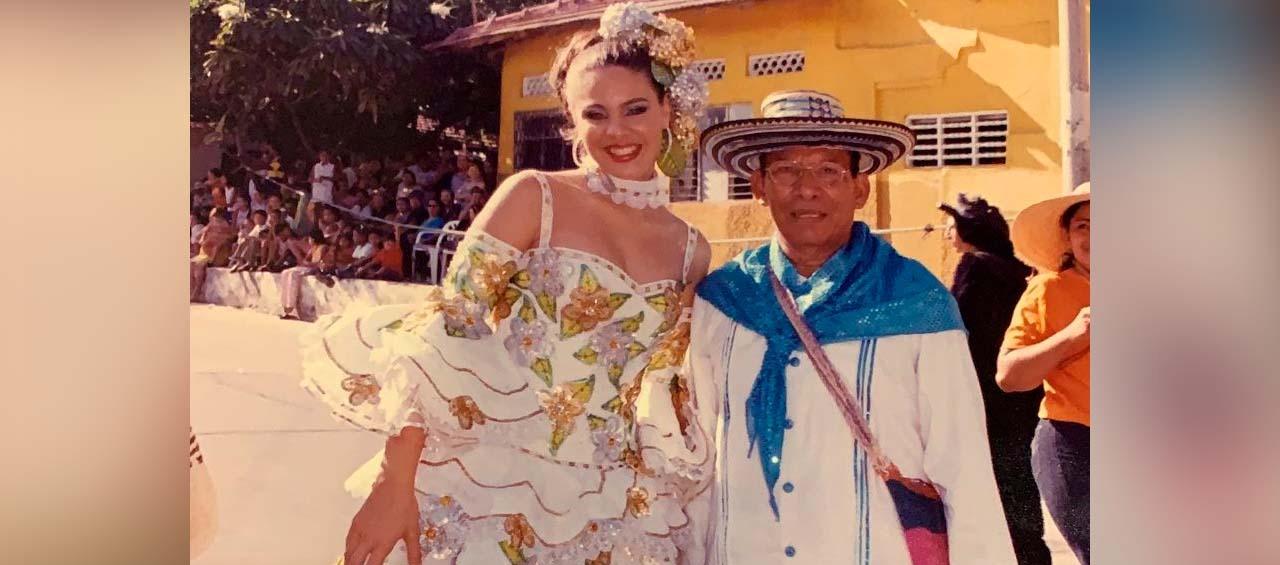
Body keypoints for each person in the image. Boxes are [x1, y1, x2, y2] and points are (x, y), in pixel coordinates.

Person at [299, 4, 714, 563]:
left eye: (636, 108)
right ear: (572, 122)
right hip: (490, 486)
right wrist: (393, 483)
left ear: (669, 108)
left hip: (617, 507)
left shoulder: (691, 250)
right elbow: (446, 329)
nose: (617, 131)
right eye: (595, 114)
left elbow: (667, 391)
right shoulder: (534, 197)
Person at [681, 90, 1016, 563]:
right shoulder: (724, 301)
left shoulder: (916, 303)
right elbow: (697, 459)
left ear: (861, 187)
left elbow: (962, 463)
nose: (807, 189)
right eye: (786, 170)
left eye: (829, 170)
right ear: (758, 184)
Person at [940, 195, 1047, 564]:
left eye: (951, 226)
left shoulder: (974, 267)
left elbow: (960, 335)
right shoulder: (1013, 269)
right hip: (1021, 399)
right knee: (1021, 493)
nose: (946, 234)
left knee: (1000, 495)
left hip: (987, 402)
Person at [997, 182, 1091, 564]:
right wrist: (1072, 334)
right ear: (1067, 237)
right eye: (1083, 225)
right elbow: (1009, 375)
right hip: (1073, 444)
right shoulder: (1047, 290)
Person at [280, 231, 333, 319]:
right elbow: (305, 260)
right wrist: (308, 263)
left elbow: (318, 262)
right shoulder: (313, 248)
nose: (309, 240)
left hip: (315, 268)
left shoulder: (323, 247)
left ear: (314, 238)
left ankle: (290, 308)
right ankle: (285, 306)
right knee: (285, 272)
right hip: (309, 266)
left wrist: (309, 264)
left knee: (293, 274)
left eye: (310, 238)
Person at [191, 207, 236, 302]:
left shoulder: (223, 225)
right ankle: (191, 290)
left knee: (199, 265)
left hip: (215, 253)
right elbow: (198, 237)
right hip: (205, 252)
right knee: (191, 264)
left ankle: (197, 291)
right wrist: (205, 233)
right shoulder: (210, 225)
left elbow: (228, 237)